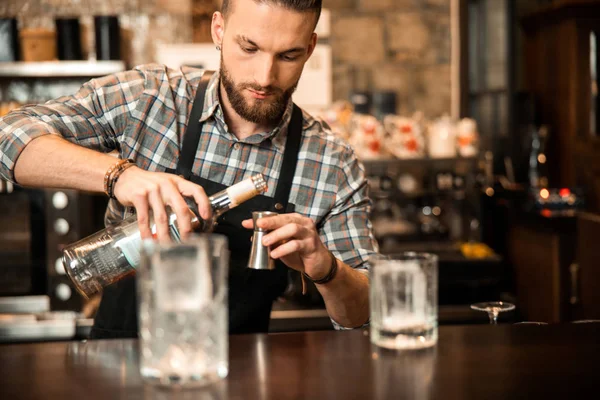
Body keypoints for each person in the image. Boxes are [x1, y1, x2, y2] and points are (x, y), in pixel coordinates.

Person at [0, 0, 377, 338]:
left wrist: (326, 269)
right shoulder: (150, 98)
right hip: (117, 368)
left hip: (243, 375)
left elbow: (363, 317)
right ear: (219, 29)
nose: (265, 76)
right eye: (249, 48)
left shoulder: (331, 161)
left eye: (289, 56)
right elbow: (8, 138)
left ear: (310, 48)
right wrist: (120, 175)